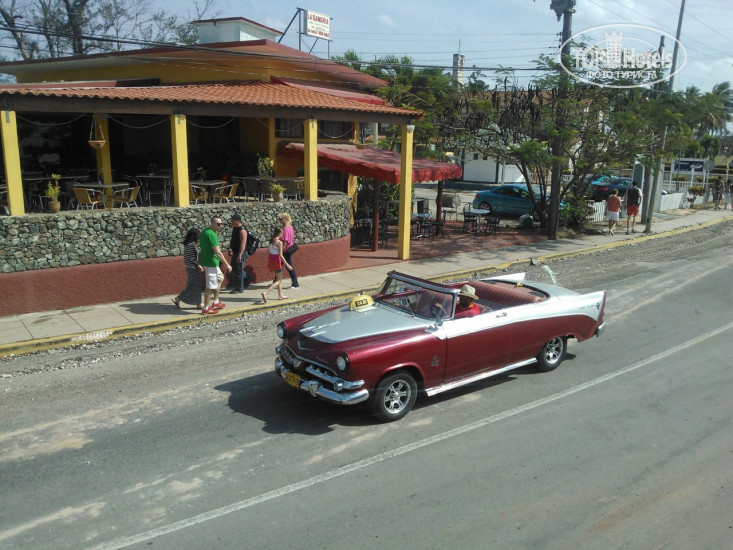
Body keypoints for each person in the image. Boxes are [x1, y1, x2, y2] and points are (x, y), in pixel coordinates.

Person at [199, 216, 231, 314]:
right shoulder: (212, 234)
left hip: (209, 262)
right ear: (212, 223)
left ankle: (216, 302)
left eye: (221, 224)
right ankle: (206, 308)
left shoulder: (205, 231)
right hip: (211, 263)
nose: (220, 226)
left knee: (220, 278)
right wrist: (227, 264)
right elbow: (218, 252)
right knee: (210, 286)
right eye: (218, 224)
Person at [173, 228, 203, 310]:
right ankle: (178, 298)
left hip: (191, 268)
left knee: (196, 286)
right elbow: (193, 259)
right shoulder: (191, 246)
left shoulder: (188, 245)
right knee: (192, 286)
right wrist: (200, 265)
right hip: (193, 269)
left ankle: (199, 303)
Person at [261, 226, 292, 303]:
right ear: (280, 233)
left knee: (279, 278)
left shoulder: (271, 241)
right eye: (282, 233)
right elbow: (281, 255)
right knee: (279, 280)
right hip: (276, 262)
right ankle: (266, 293)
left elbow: (269, 252)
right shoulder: (279, 242)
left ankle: (280, 295)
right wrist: (287, 265)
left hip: (271, 260)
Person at [228, 213, 249, 293]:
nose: (231, 221)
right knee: (235, 268)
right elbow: (234, 240)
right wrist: (231, 249)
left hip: (241, 253)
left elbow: (243, 243)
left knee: (239, 270)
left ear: (237, 221)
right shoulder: (235, 229)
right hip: (235, 252)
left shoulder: (242, 230)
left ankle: (239, 287)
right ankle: (247, 277)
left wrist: (240, 255)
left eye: (233, 220)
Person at [278, 212, 299, 289]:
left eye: (281, 219)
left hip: (286, 250)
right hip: (289, 248)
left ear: (285, 219)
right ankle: (276, 282)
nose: (279, 220)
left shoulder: (285, 229)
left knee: (289, 266)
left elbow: (285, 242)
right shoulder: (290, 227)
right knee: (279, 266)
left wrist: (281, 251)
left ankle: (295, 284)